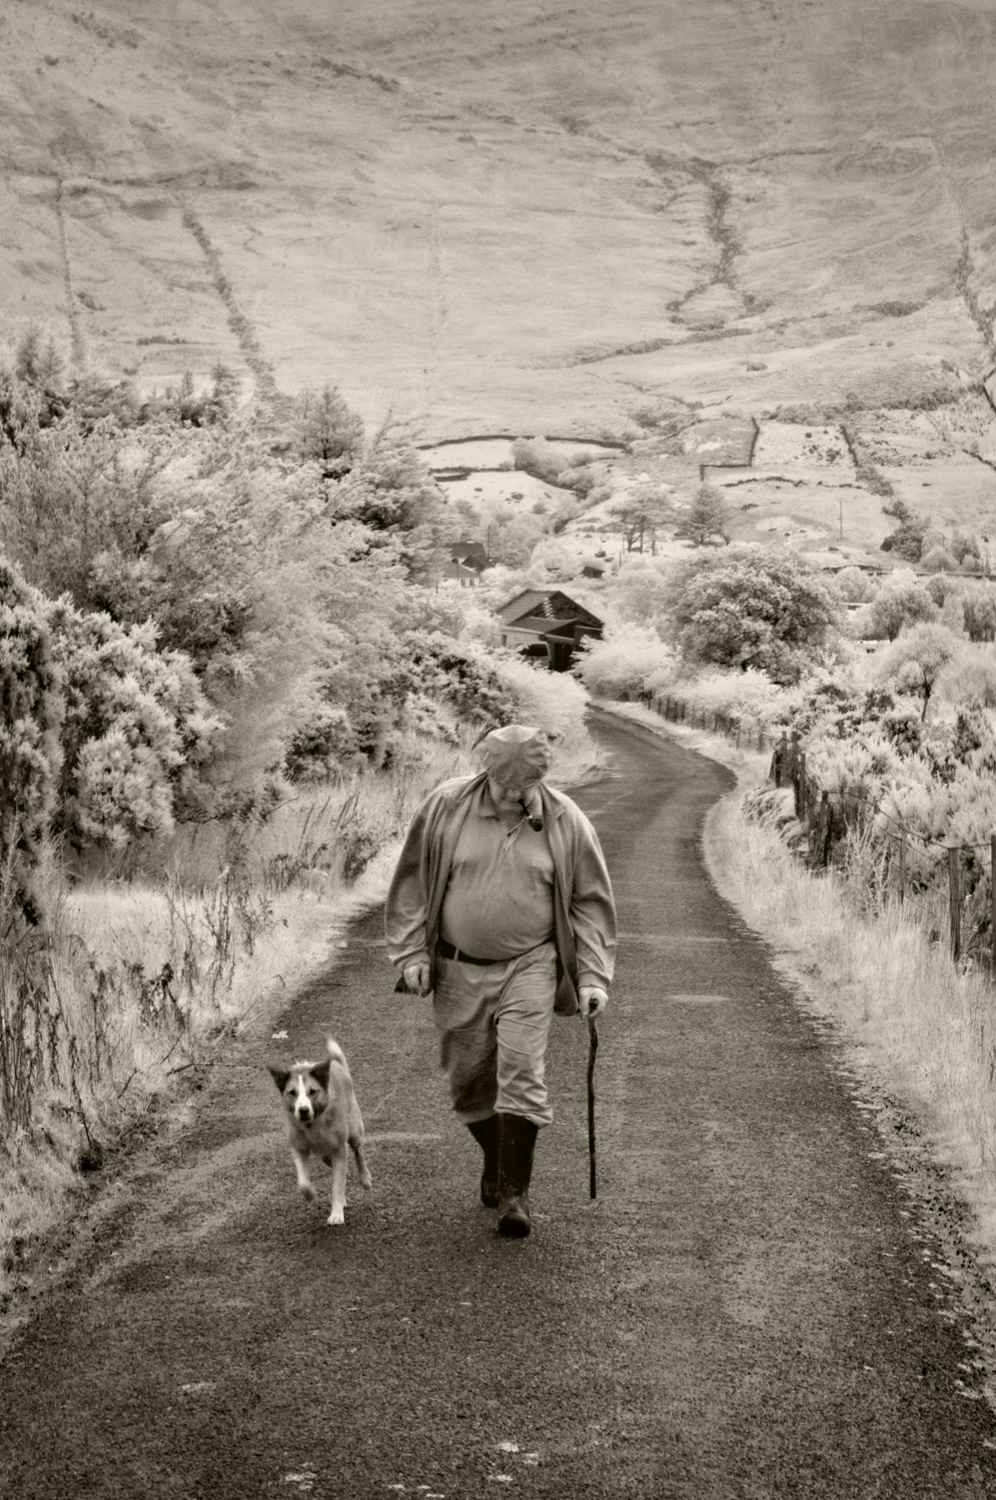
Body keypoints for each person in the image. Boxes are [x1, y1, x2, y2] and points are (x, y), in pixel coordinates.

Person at [384, 723, 616, 1238]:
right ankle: (496, 1156)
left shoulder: (566, 821)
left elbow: (591, 903)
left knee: (522, 1074)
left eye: (525, 784)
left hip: (530, 966)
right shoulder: (445, 808)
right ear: (484, 769)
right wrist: (410, 954)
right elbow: (410, 883)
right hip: (456, 966)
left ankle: (516, 1194)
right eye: (504, 783)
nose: (514, 794)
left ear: (542, 774)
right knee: (468, 1085)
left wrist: (593, 977)